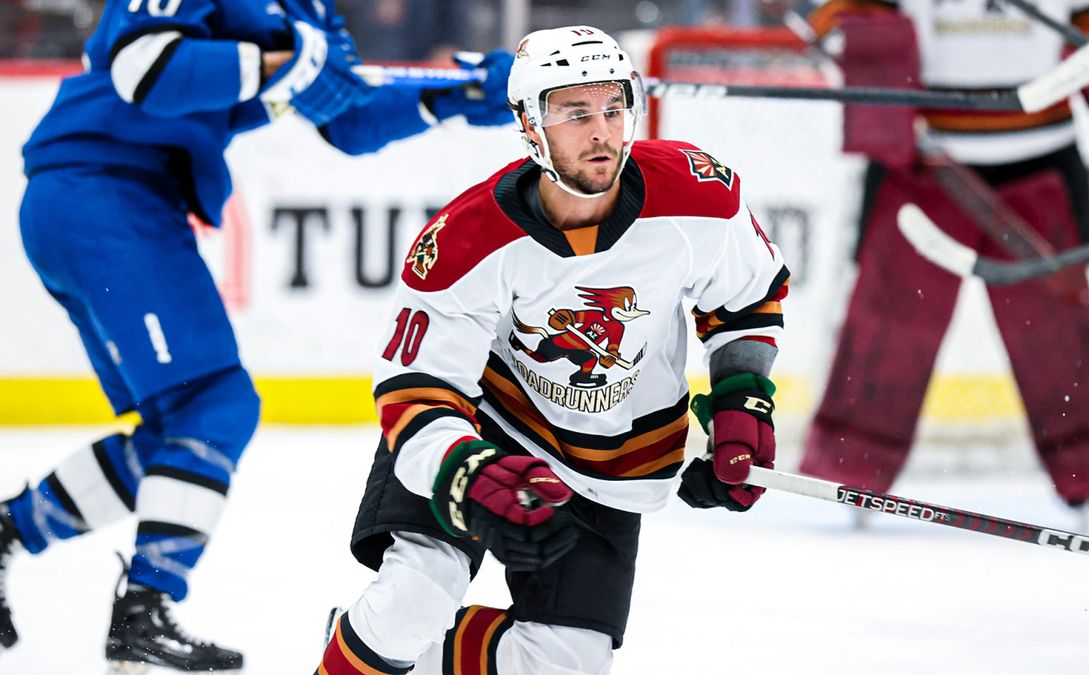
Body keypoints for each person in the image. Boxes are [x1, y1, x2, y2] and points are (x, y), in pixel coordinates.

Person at [0, 0, 513, 668]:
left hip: (121, 198)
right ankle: (143, 611)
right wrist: (284, 61)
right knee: (214, 406)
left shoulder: (307, 9)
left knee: (182, 431)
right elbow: (144, 68)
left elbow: (349, 116)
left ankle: (14, 533)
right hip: (102, 191)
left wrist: (455, 97)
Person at [315, 25, 788, 675]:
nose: (601, 132)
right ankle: (370, 648)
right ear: (529, 124)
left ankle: (369, 650)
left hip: (609, 463)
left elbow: (747, 299)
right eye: (575, 113)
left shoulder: (698, 196)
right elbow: (417, 390)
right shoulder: (467, 239)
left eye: (614, 108)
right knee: (414, 597)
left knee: (565, 663)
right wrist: (468, 472)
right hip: (484, 427)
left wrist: (741, 400)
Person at [797, 0, 1089, 520]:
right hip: (923, 161)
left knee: (1056, 331)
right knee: (889, 322)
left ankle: (1087, 470)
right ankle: (855, 469)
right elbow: (848, 14)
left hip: (1042, 157)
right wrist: (851, 45)